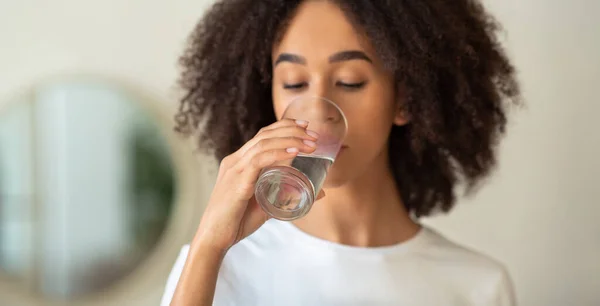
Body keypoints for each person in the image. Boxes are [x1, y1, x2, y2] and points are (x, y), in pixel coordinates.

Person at [161, 0, 521, 305]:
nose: (319, 110)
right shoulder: (216, 265)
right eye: (294, 83)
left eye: (350, 80)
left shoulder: (478, 287)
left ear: (406, 98)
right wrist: (208, 243)